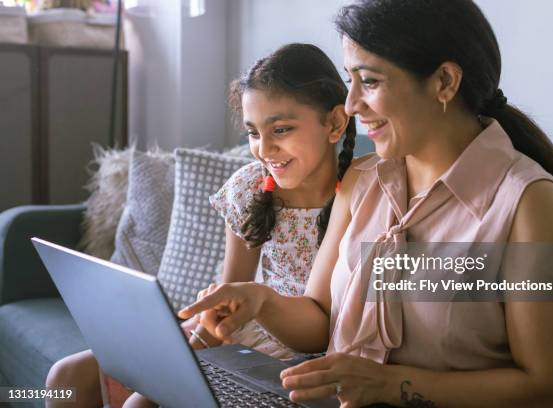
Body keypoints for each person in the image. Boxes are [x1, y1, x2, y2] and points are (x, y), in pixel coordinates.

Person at [179, 1, 553, 407]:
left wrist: (389, 384)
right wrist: (260, 300)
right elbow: (320, 320)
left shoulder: (532, 203)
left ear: (444, 81)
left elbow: (552, 389)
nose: (352, 104)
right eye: (349, 81)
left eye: (369, 82)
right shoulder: (359, 181)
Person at [45, 43, 355, 408]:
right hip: (241, 333)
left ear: (334, 123)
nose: (264, 149)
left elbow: (317, 331)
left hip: (297, 353)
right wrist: (194, 348)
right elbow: (228, 298)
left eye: (282, 129)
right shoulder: (250, 188)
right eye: (253, 133)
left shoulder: (358, 196)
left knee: (140, 404)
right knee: (65, 377)